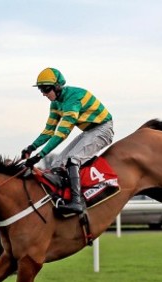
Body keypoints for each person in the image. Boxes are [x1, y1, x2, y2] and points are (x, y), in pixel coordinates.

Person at [22, 67, 114, 215]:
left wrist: (39, 156)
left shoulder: (73, 98)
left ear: (57, 86)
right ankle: (62, 197)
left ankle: (77, 203)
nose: (44, 94)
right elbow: (49, 131)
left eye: (46, 89)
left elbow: (62, 133)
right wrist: (31, 147)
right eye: (41, 90)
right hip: (89, 131)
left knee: (73, 159)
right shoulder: (55, 104)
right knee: (57, 163)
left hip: (103, 129)